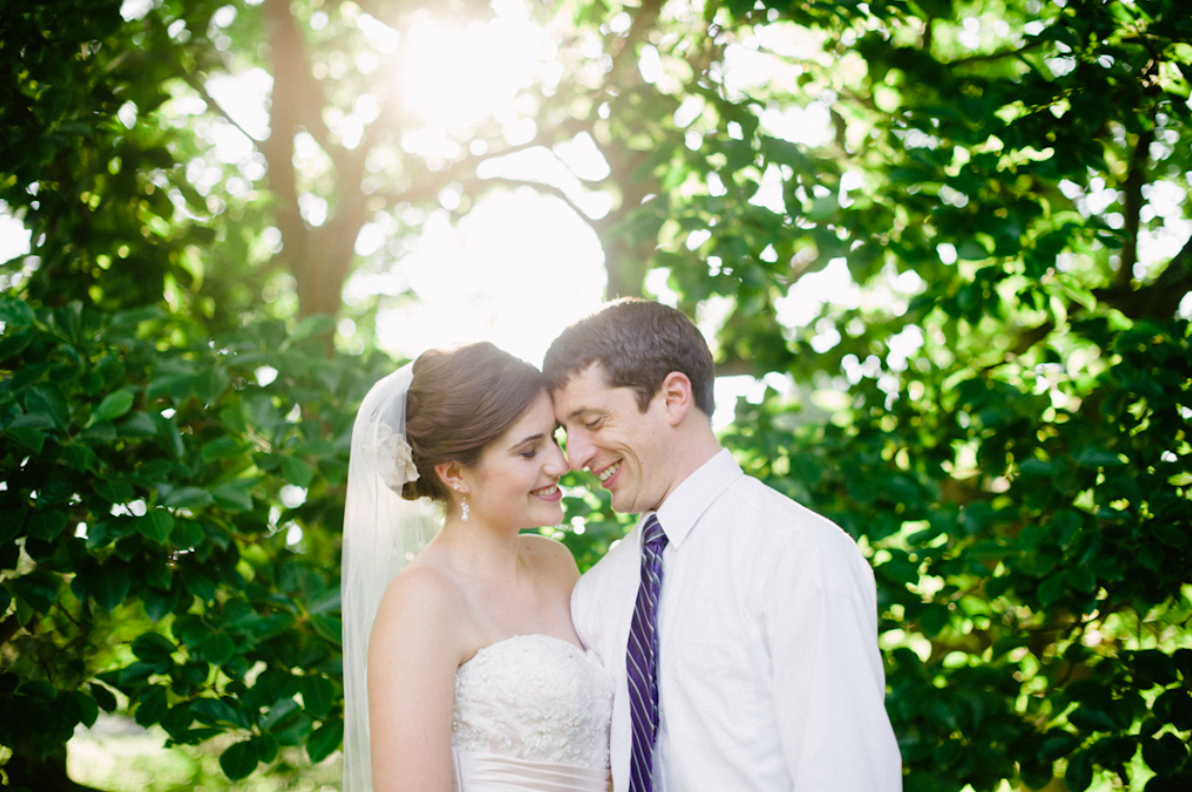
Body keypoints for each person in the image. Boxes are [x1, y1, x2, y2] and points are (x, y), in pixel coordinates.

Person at [544, 299, 903, 792]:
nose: (575, 455)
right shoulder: (599, 589)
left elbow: (848, 772)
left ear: (672, 398)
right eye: (566, 432)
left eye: (593, 422)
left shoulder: (798, 553)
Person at [341, 342, 614, 792]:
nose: (561, 463)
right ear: (455, 474)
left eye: (554, 437)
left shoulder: (555, 562)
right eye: (529, 451)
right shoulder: (422, 601)